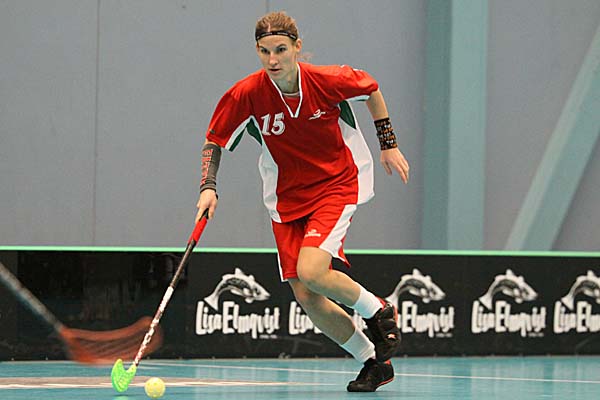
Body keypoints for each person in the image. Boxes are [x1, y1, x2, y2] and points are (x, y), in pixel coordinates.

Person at [196, 11, 410, 392]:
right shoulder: (247, 94)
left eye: (280, 49)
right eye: (264, 51)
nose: (273, 59)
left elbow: (372, 89)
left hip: (335, 184)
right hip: (285, 200)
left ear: (297, 47)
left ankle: (378, 309)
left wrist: (388, 144)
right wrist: (208, 187)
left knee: (311, 269)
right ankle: (374, 362)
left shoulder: (326, 80)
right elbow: (215, 138)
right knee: (307, 296)